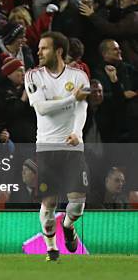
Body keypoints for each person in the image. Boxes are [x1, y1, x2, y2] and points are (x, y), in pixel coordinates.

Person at [24, 31, 90, 262]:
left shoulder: (80, 76)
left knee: (77, 205)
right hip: (46, 146)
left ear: (59, 51)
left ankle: (68, 225)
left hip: (73, 146)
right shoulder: (32, 76)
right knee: (49, 202)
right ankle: (51, 248)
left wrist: (77, 133)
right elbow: (42, 109)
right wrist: (72, 99)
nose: (38, 52)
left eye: (44, 48)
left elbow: (83, 108)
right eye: (39, 48)